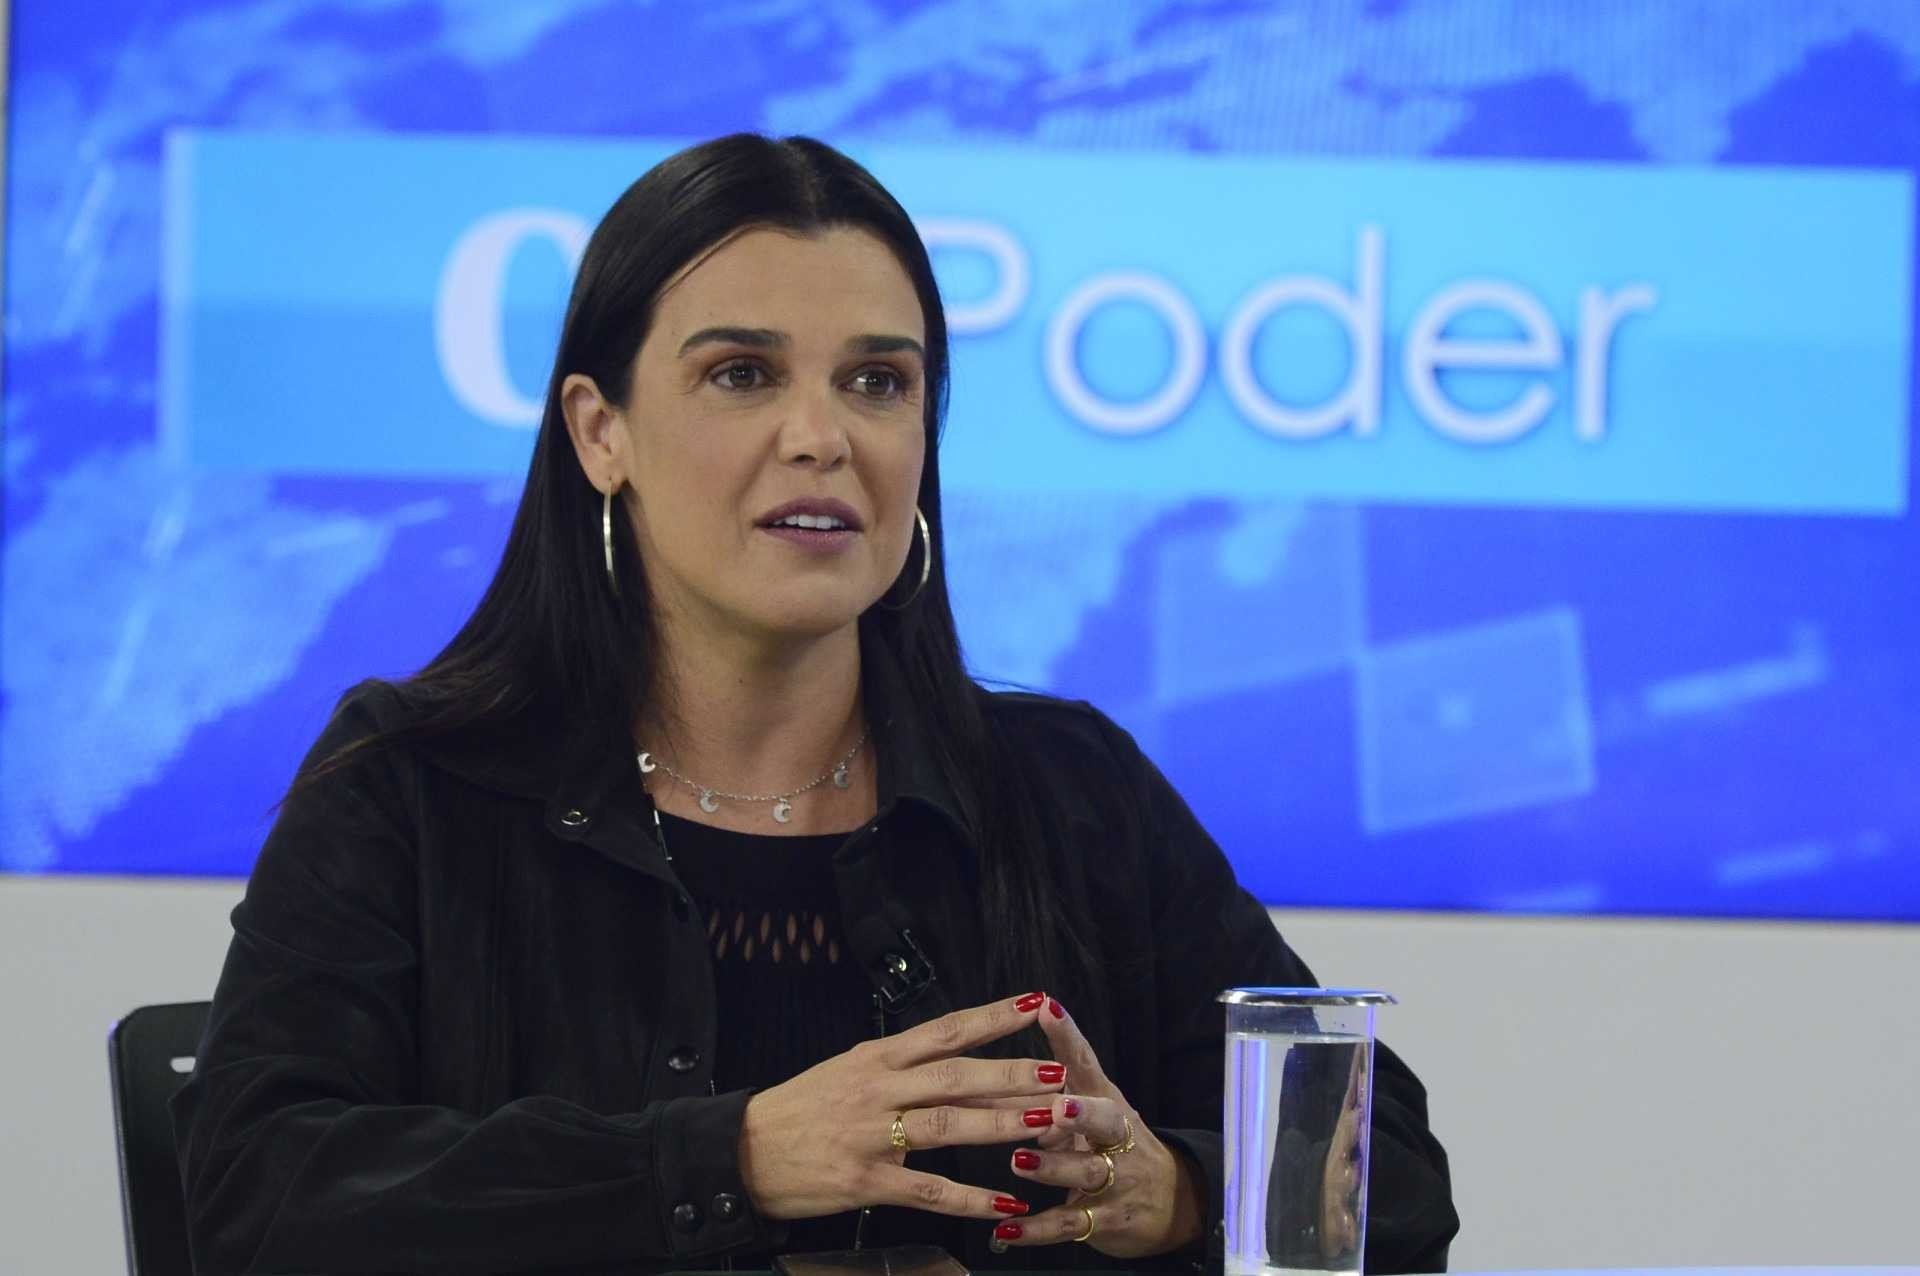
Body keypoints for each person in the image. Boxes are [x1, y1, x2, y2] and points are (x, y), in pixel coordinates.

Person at [172, 133, 1458, 1274]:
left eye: (877, 381)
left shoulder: (1072, 793)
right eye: (742, 373)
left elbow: (1389, 1177)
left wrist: (1176, 1192)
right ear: (601, 432)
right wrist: (732, 1156)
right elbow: (254, 1203)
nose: (822, 436)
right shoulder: (416, 783)